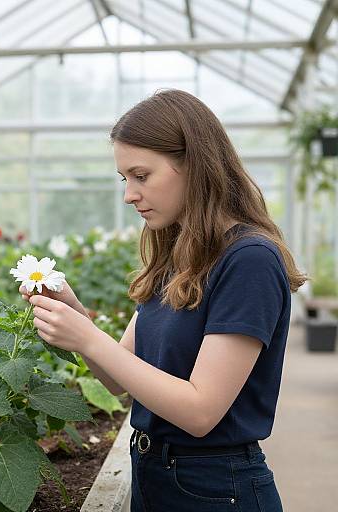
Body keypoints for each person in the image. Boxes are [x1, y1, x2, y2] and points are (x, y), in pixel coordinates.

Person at [20, 89, 307, 511]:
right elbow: (120, 380)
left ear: (194, 164)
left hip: (214, 489)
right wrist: (75, 316)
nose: (129, 195)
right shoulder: (179, 255)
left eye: (141, 176)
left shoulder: (249, 261)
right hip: (155, 476)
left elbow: (200, 411)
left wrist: (87, 339)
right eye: (124, 179)